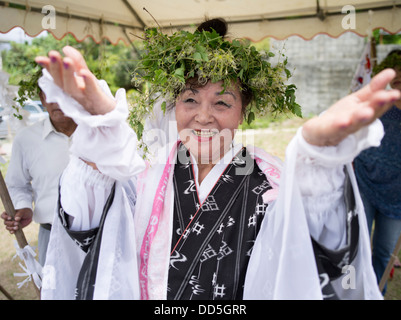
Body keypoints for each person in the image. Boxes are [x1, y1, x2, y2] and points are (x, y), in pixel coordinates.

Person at [34, 19, 400, 300]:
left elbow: (313, 255)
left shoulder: (273, 180)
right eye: (189, 100)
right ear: (173, 105)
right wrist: (100, 137)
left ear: (244, 112)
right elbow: (89, 230)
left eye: (222, 102)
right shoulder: (145, 175)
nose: (204, 117)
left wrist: (318, 163)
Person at [1, 85, 77, 266]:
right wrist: (23, 207)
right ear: (42, 98)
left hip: (102, 238)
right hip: (51, 236)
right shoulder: (26, 139)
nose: (56, 101)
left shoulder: (100, 133)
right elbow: (17, 184)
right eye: (50, 94)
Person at [354, 49, 401, 294]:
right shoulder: (378, 105)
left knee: (384, 251)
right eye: (397, 76)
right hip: (366, 181)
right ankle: (357, 293)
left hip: (397, 196)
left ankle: (376, 294)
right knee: (358, 244)